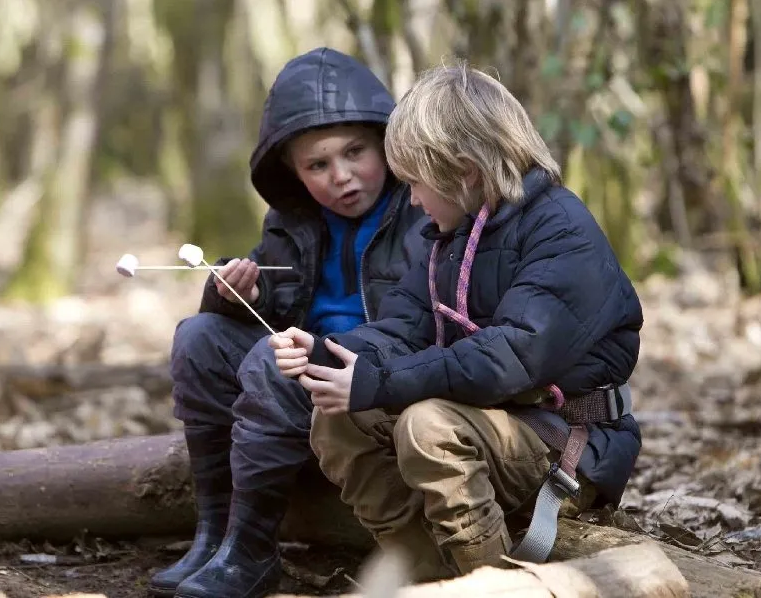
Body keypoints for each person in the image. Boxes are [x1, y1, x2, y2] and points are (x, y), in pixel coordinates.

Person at [271, 62, 644, 576]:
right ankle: (425, 575)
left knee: (429, 426)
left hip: (566, 444)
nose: (413, 201)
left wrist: (377, 382)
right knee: (337, 418)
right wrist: (323, 353)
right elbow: (401, 329)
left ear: (464, 171)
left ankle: (487, 584)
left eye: (416, 184)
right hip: (492, 426)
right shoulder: (444, 240)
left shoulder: (561, 232)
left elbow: (509, 357)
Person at [147, 47, 432, 598]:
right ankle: (216, 536)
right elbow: (273, 308)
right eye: (317, 166)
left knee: (278, 358)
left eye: (355, 152)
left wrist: (317, 348)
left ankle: (251, 551)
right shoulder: (293, 220)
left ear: (386, 144)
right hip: (306, 380)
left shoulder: (421, 209)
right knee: (199, 337)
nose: (342, 177)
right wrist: (236, 295)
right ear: (294, 173)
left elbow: (417, 325)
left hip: (380, 378)